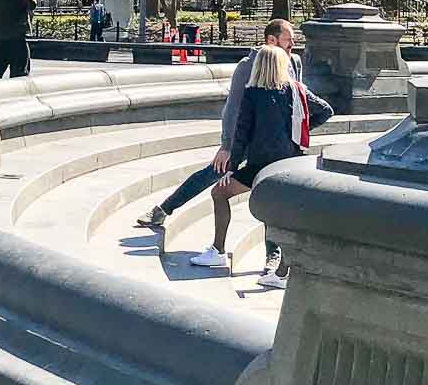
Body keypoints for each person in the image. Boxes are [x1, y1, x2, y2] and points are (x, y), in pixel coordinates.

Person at [137, 19, 331, 288]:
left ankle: (271, 259)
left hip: (276, 142)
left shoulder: (293, 62)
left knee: (269, 197)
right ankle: (163, 209)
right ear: (272, 40)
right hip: (245, 140)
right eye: (288, 40)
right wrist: (227, 145)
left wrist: (296, 129)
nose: (292, 44)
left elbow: (303, 103)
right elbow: (234, 109)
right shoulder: (248, 66)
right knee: (212, 176)